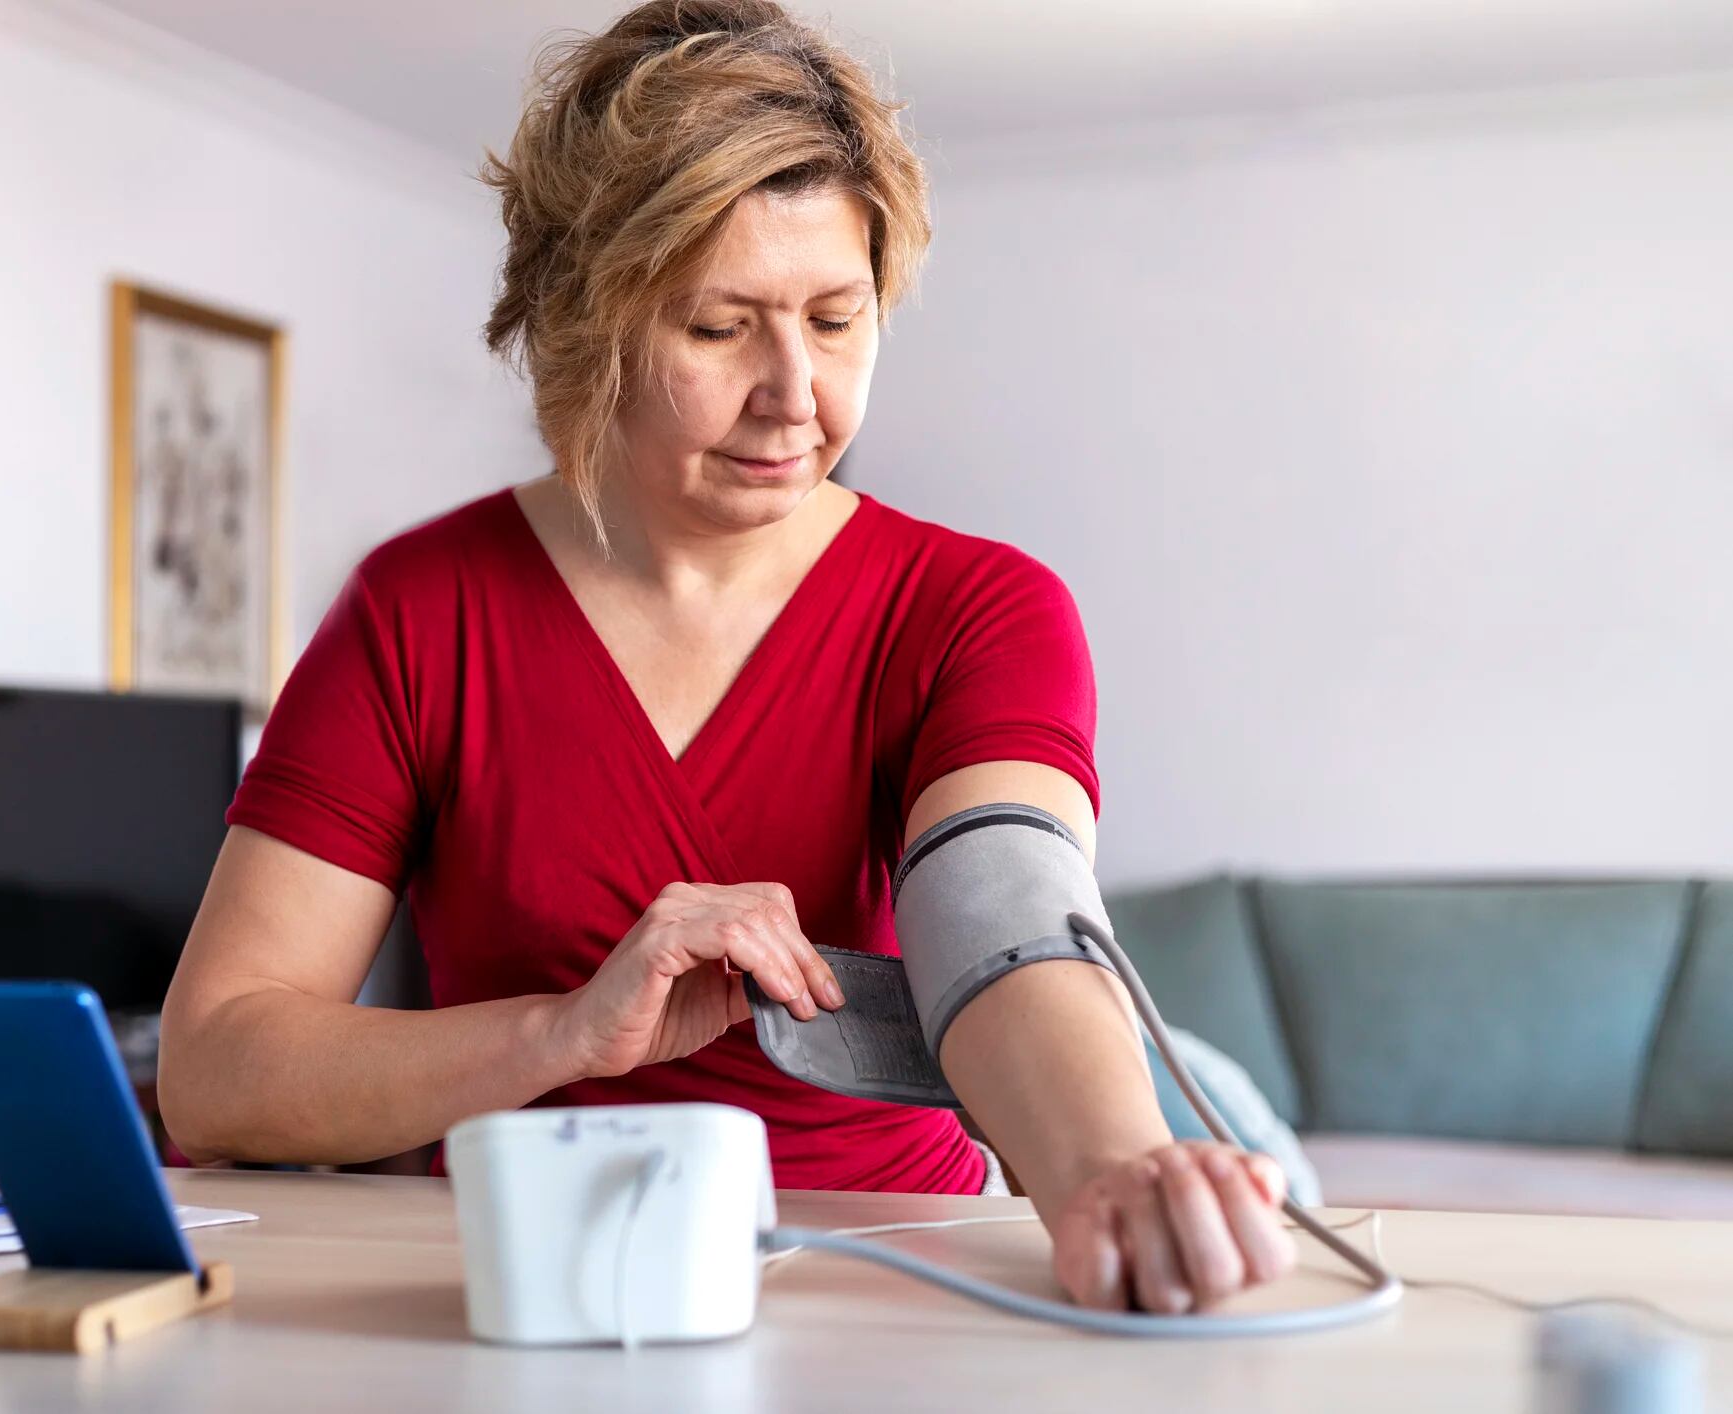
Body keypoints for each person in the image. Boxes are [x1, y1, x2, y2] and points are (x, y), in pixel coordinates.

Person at [159, 0, 1297, 1316]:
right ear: (590, 322)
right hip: (537, 1278)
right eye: (717, 327)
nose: (794, 393)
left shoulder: (976, 605)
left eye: (835, 318)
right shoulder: (420, 609)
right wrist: (563, 1027)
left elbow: (1007, 920)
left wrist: (1107, 1163)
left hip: (896, 1272)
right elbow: (217, 1065)